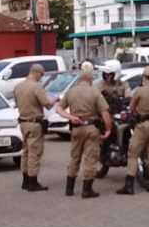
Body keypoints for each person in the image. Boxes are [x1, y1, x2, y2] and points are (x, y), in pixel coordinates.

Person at [56, 70, 112, 198]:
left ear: (80, 79)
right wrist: (108, 130)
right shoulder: (95, 92)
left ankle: (69, 188)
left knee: (75, 158)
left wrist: (71, 117)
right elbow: (105, 113)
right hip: (91, 128)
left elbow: (58, 109)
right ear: (91, 79)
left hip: (76, 128)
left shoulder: (71, 92)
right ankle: (87, 190)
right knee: (90, 159)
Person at [117, 66, 149, 195]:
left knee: (133, 153)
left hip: (144, 125)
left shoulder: (140, 90)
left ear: (144, 77)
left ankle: (129, 185)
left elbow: (132, 107)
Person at [13, 63, 54, 192]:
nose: (41, 77)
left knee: (25, 151)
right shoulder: (37, 87)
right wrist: (56, 100)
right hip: (35, 123)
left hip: (23, 123)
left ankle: (25, 180)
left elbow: (16, 104)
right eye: (41, 75)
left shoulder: (18, 86)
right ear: (37, 73)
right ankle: (33, 181)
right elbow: (47, 105)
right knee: (34, 152)